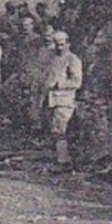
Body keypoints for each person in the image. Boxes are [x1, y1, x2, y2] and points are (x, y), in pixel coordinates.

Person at [42, 30, 84, 169]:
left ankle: (64, 161)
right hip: (51, 99)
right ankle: (57, 158)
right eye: (56, 45)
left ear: (68, 44)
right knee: (53, 131)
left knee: (61, 131)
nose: (59, 48)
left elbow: (77, 82)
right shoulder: (52, 58)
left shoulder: (73, 60)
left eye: (62, 44)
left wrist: (59, 84)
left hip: (64, 100)